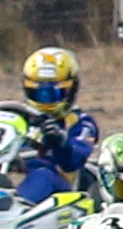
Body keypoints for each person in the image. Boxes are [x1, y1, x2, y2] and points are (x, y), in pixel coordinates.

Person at [11, 48, 104, 202]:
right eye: (38, 92)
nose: (45, 100)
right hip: (15, 179)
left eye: (54, 93)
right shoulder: (16, 118)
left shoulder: (81, 122)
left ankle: (14, 210)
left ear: (71, 89)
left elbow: (73, 161)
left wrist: (61, 141)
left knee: (43, 175)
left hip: (59, 190)